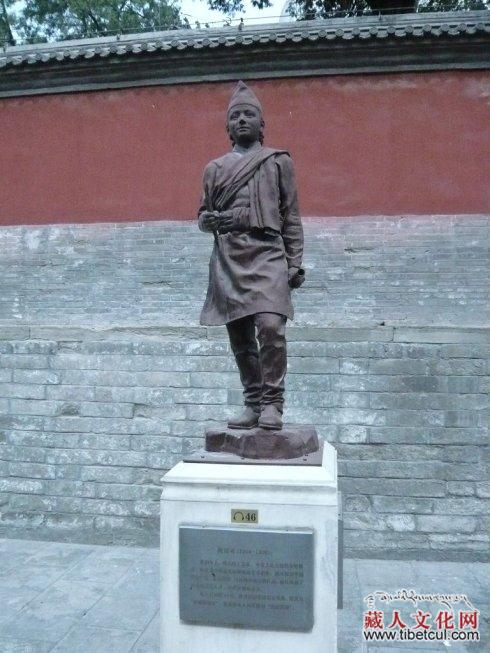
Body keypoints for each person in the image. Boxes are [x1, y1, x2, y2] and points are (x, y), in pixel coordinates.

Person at [198, 81, 305, 431]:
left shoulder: (278, 162)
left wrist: (295, 261)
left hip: (268, 252)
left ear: (262, 124)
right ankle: (253, 402)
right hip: (230, 257)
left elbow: (291, 215)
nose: (242, 120)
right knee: (240, 335)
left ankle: (273, 403)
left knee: (271, 327)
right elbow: (203, 214)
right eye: (235, 117)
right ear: (228, 128)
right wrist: (206, 221)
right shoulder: (214, 169)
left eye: (248, 115)